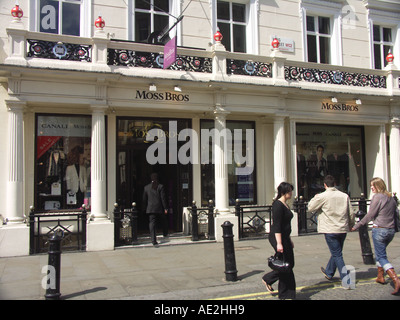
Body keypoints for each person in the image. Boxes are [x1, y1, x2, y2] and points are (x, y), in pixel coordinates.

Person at [351, 177, 400, 295]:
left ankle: (395, 279)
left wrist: (357, 226)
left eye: (373, 185)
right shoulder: (391, 198)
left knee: (381, 256)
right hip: (390, 231)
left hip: (380, 230)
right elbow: (395, 214)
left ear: (378, 186)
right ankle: (380, 276)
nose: (371, 188)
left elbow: (370, 215)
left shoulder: (377, 197)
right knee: (380, 253)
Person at [307, 175, 355, 289]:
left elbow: (310, 207)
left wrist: (315, 197)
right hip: (342, 228)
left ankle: (346, 280)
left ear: (325, 185)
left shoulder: (323, 196)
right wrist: (351, 225)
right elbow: (351, 213)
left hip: (330, 229)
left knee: (337, 254)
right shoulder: (344, 196)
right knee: (337, 252)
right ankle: (329, 272)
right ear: (335, 183)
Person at [262, 182, 296, 300]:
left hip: (285, 237)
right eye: (289, 191)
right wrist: (279, 243)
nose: (291, 193)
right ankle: (286, 294)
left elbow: (286, 225)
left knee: (288, 264)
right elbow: (277, 226)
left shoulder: (285, 204)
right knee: (286, 265)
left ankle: (269, 280)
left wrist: (289, 239)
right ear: (283, 192)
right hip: (277, 238)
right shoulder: (277, 205)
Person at [142, 173, 169, 246]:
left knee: (152, 223)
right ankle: (165, 233)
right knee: (164, 220)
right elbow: (163, 198)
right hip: (159, 207)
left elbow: (144, 199)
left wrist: (144, 208)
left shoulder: (146, 187)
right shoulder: (160, 186)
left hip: (150, 208)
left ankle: (153, 239)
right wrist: (165, 208)